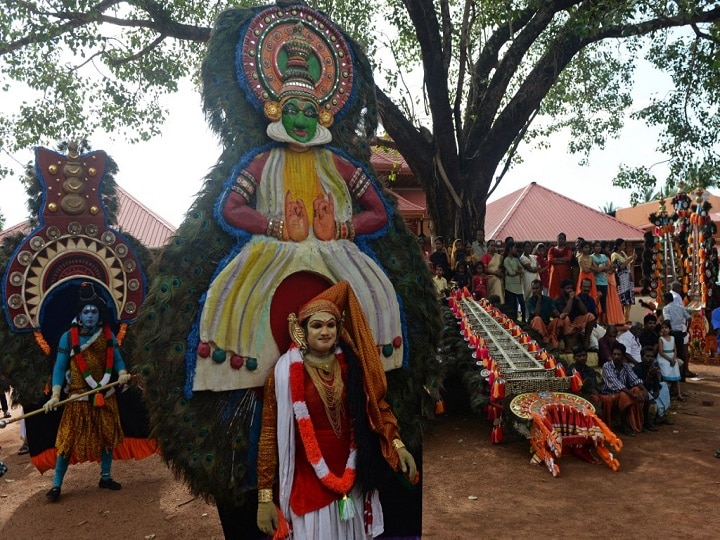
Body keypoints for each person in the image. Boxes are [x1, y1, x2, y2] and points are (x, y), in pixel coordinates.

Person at [193, 27, 405, 392]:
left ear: (322, 115)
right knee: (232, 300)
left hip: (335, 249)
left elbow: (379, 213)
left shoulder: (339, 166)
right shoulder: (262, 162)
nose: (302, 120)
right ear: (276, 111)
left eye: (309, 111)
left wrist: (339, 229)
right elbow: (230, 208)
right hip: (272, 249)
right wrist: (275, 226)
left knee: (376, 295)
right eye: (292, 110)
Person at [256, 281, 417, 538]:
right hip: (309, 483)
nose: (325, 332)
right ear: (302, 331)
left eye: (331, 325)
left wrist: (398, 445)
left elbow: (375, 408)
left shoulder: (352, 367)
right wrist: (264, 498)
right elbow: (268, 436)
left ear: (339, 328)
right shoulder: (284, 373)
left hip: (351, 479)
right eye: (317, 325)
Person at [42, 282, 131, 502]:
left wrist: (122, 374)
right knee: (66, 441)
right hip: (77, 398)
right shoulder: (68, 338)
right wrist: (54, 396)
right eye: (86, 311)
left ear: (99, 315)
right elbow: (60, 368)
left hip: (105, 394)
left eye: (94, 311)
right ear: (80, 315)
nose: (90, 315)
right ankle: (56, 485)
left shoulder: (107, 335)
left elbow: (118, 361)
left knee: (107, 436)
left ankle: (106, 476)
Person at [600, 342, 649, 436]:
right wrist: (632, 394)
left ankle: (637, 424)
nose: (616, 357)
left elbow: (635, 380)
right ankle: (624, 425)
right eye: (614, 354)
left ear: (623, 356)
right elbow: (617, 385)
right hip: (609, 394)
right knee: (625, 395)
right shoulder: (607, 366)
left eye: (619, 354)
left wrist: (645, 390)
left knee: (638, 390)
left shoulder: (626, 366)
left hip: (622, 393)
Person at [633, 346, 671, 431]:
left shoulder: (652, 367)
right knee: (645, 394)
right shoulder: (637, 369)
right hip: (641, 391)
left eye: (652, 356)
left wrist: (657, 390)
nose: (650, 359)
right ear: (642, 357)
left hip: (650, 390)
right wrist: (649, 376)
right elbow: (642, 386)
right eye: (647, 356)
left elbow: (656, 382)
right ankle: (646, 421)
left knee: (664, 385)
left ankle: (660, 415)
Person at [554, 278, 596, 352]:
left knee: (590, 316)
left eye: (571, 288)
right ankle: (567, 346)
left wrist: (578, 299)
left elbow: (585, 312)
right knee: (565, 318)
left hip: (574, 323)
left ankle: (586, 342)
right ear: (562, 290)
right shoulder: (558, 300)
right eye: (567, 288)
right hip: (564, 324)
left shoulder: (575, 298)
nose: (570, 290)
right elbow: (565, 314)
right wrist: (570, 299)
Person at [662, 292, 691, 380]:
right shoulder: (680, 307)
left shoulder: (666, 308)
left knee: (671, 353)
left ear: (666, 300)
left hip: (672, 333)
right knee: (681, 354)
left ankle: (673, 375)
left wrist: (665, 331)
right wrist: (687, 330)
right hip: (680, 333)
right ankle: (682, 376)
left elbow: (667, 320)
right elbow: (689, 318)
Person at [526, 279, 562, 349]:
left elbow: (555, 311)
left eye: (537, 288)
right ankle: (545, 341)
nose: (535, 290)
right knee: (537, 319)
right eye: (533, 288)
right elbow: (536, 314)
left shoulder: (548, 299)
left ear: (541, 288)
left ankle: (555, 340)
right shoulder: (529, 301)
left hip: (547, 325)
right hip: (535, 326)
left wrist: (560, 315)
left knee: (558, 320)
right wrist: (539, 301)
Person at [567, 345, 603, 413]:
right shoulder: (570, 370)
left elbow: (593, 387)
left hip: (589, 394)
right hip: (577, 396)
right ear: (574, 358)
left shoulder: (590, 370)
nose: (582, 358)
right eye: (579, 356)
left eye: (584, 355)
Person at [656, 320, 685, 401]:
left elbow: (675, 349)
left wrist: (674, 359)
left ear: (670, 329)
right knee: (666, 375)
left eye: (666, 328)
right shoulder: (660, 339)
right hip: (664, 358)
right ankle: (666, 394)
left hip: (672, 357)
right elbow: (661, 352)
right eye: (662, 328)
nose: (664, 329)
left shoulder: (672, 338)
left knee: (676, 375)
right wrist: (670, 360)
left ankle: (679, 394)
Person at [611, 238, 636, 321]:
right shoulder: (614, 255)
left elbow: (628, 265)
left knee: (629, 298)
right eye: (623, 245)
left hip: (628, 278)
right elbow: (620, 267)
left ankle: (626, 318)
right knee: (623, 298)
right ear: (618, 246)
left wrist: (633, 259)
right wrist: (630, 258)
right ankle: (621, 318)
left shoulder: (623, 253)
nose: (624, 247)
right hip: (621, 279)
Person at [503, 240, 525, 322]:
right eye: (514, 247)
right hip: (510, 285)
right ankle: (513, 321)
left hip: (518, 285)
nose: (516, 249)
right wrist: (517, 271)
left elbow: (522, 270)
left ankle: (523, 320)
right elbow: (510, 272)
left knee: (522, 303)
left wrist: (517, 271)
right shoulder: (506, 260)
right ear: (510, 248)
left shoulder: (516, 260)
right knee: (513, 305)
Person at [548, 233, 573, 299]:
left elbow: (568, 259)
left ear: (565, 240)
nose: (561, 240)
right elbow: (550, 260)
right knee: (554, 287)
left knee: (564, 287)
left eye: (563, 239)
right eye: (559, 238)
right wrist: (563, 260)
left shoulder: (568, 249)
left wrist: (556, 259)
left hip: (565, 273)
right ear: (556, 239)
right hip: (554, 273)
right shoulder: (552, 249)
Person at [590, 241, 609, 322]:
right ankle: (596, 321)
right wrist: (602, 267)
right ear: (593, 248)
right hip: (596, 282)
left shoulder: (604, 256)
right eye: (596, 246)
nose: (598, 247)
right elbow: (595, 270)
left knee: (604, 301)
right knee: (596, 301)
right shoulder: (591, 257)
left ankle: (603, 322)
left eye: (599, 246)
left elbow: (608, 267)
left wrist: (600, 268)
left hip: (604, 282)